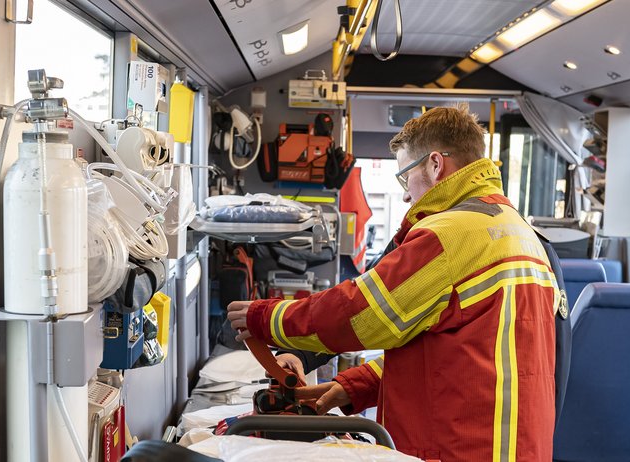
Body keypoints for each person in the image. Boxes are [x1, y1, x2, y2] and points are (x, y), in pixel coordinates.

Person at [227, 105, 559, 461]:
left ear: (435, 165)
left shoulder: (450, 235)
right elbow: (456, 353)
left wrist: (265, 319)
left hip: (464, 447)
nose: (404, 194)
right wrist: (352, 386)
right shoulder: (519, 231)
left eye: (405, 177)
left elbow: (360, 313)